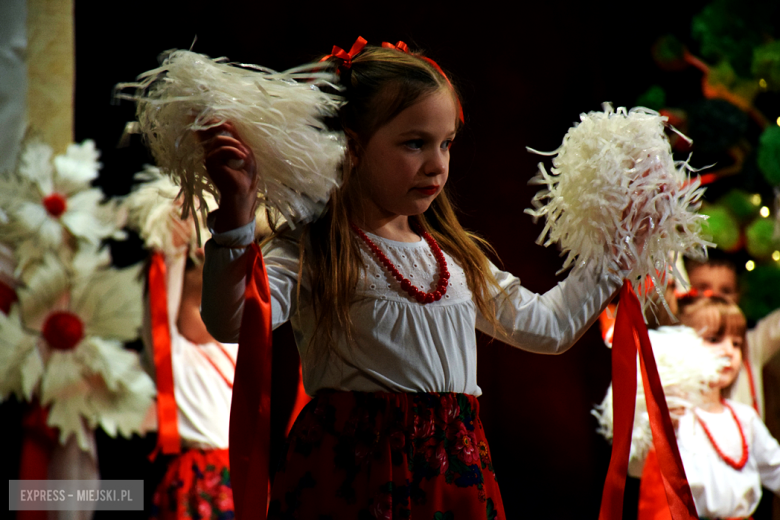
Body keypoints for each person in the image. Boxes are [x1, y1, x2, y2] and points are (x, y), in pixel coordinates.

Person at [198, 40, 637, 519]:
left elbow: (549, 328)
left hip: (451, 479)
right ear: (354, 145)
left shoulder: (455, 259)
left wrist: (622, 246)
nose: (438, 164)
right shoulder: (316, 249)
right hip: (352, 478)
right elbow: (233, 322)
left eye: (446, 143)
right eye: (415, 143)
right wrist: (237, 214)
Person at [638, 295, 780, 519]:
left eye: (736, 343)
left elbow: (776, 468)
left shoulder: (745, 417)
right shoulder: (676, 415)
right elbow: (636, 467)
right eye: (714, 339)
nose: (729, 351)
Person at [683, 251, 780, 420]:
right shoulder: (677, 346)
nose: (716, 298)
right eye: (702, 288)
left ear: (739, 295)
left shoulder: (751, 344)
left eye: (726, 290)